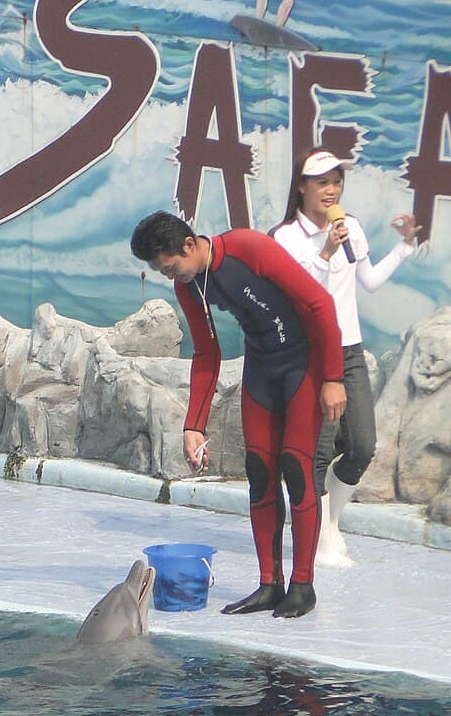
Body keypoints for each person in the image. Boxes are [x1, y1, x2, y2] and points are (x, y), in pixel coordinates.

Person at [130, 211, 345, 619]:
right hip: (262, 368)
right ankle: (269, 584)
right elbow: (206, 353)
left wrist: (333, 377)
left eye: (169, 265)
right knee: (259, 471)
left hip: (304, 363)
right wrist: (194, 424)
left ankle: (303, 585)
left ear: (189, 245)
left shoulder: (249, 248)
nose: (169, 275)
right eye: (160, 270)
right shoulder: (189, 287)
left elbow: (320, 304)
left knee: (296, 470)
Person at [270, 148, 422, 568]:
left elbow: (368, 280)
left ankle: (331, 523)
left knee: (361, 445)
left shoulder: (349, 225)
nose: (331, 189)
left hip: (349, 350)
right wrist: (324, 252)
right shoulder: (285, 238)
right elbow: (299, 296)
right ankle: (318, 537)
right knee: (317, 450)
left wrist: (404, 247)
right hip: (310, 353)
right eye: (321, 181)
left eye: (336, 181)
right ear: (301, 185)